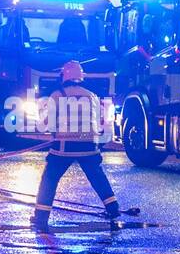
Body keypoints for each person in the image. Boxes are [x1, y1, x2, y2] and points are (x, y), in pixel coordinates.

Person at [31, 60, 120, 232]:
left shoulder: (57, 95)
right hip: (89, 146)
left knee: (49, 178)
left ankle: (41, 217)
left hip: (64, 147)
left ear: (64, 76)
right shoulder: (92, 95)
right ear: (80, 77)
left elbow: (47, 123)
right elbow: (100, 121)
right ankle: (113, 208)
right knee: (97, 177)